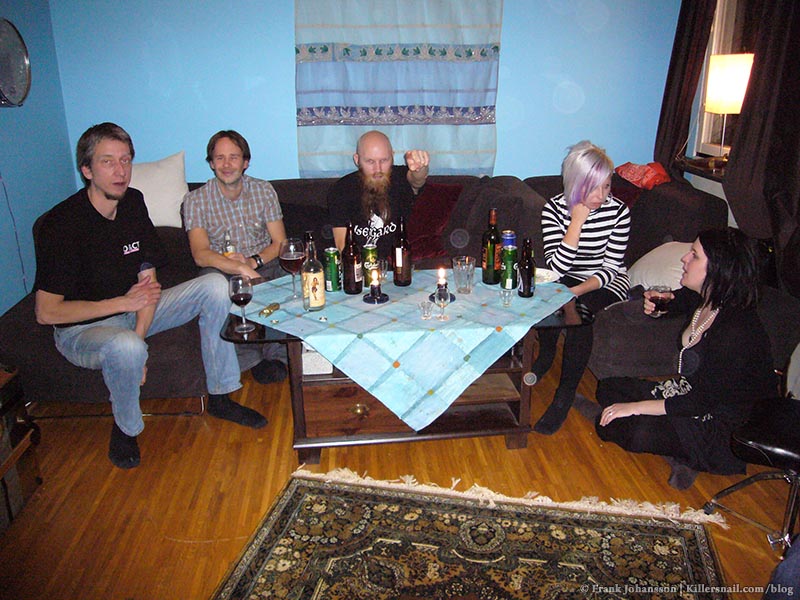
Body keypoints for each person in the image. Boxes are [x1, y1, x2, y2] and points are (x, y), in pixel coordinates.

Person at [34, 123, 267, 470]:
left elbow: (149, 281)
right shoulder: (61, 225)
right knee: (125, 345)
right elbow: (47, 312)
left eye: (125, 160)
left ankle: (221, 395)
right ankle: (126, 428)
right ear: (87, 170)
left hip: (135, 312)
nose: (120, 171)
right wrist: (123, 308)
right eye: (108, 162)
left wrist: (140, 335)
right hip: (83, 330)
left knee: (215, 286)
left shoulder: (133, 202)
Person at [595, 228, 776, 489]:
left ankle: (690, 457)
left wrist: (635, 407)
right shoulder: (704, 297)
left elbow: (699, 403)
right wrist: (660, 302)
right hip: (691, 392)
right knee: (608, 388)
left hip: (722, 424)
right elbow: (677, 301)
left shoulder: (735, 332)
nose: (684, 258)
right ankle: (677, 449)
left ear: (718, 269)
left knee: (619, 427)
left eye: (694, 255)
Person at [532, 140, 631, 435]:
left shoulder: (619, 212)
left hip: (606, 280)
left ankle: (564, 396)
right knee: (544, 297)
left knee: (580, 313)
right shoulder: (553, 209)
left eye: (607, 186)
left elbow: (611, 268)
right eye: (592, 188)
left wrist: (573, 294)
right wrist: (576, 222)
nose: (601, 196)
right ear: (574, 184)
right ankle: (546, 355)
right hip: (566, 275)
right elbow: (557, 268)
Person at [183, 130, 288, 384]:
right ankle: (250, 360)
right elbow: (200, 254)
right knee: (215, 287)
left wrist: (252, 262)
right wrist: (239, 268)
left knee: (289, 276)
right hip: (221, 269)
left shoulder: (264, 190)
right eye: (219, 158)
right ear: (211, 163)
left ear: (245, 162)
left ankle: (280, 356)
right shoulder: (195, 200)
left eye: (234, 157)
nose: (227, 164)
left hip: (262, 261)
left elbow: (280, 243)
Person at [328, 130, 429, 257]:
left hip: (400, 263)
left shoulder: (400, 178)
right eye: (370, 161)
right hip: (360, 264)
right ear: (357, 160)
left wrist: (420, 167)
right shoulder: (341, 190)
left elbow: (417, 180)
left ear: (392, 156)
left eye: (384, 160)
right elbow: (342, 246)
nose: (378, 169)